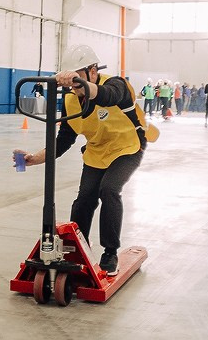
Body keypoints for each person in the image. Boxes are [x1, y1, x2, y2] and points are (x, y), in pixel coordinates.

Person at [12, 44, 145, 276]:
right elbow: (64, 140)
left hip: (128, 147)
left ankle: (110, 252)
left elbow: (107, 96)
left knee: (109, 190)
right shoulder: (71, 100)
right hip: (96, 151)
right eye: (71, 79)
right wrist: (35, 158)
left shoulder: (116, 85)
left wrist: (81, 83)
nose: (74, 85)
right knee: (84, 199)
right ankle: (79, 249)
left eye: (79, 77)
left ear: (93, 71)